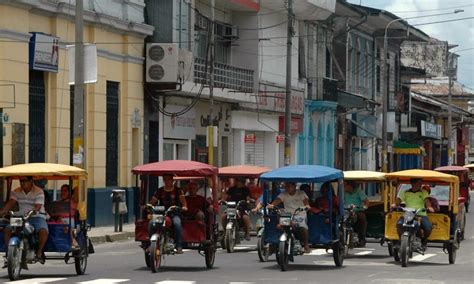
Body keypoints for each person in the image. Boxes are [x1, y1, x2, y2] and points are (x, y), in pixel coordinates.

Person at [0, 176, 48, 264]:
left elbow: (37, 207)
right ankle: (9, 253)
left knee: (43, 231)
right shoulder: (16, 191)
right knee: (7, 229)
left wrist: (32, 212)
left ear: (31, 181)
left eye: (24, 181)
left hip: (36, 216)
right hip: (21, 217)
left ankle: (39, 253)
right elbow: (11, 202)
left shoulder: (39, 191)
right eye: (21, 181)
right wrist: (3, 211)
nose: (22, 183)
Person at [149, 174, 188, 254]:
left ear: (173, 181)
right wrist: (148, 205)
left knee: (177, 224)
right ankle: (150, 244)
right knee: (151, 224)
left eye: (169, 179)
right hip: (162, 214)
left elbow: (183, 202)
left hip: (174, 214)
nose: (167, 181)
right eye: (165, 179)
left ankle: (178, 246)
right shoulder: (160, 191)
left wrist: (184, 207)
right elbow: (153, 201)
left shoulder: (178, 190)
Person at [268, 182, 311, 253]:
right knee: (280, 221)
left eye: (289, 186)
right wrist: (271, 206)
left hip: (300, 215)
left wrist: (306, 207)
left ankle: (306, 245)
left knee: (303, 228)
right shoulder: (283, 194)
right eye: (286, 186)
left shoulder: (301, 193)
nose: (286, 188)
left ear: (294, 186)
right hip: (288, 215)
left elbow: (307, 204)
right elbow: (275, 202)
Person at [391, 178, 435, 248]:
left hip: (420, 214)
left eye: (421, 183)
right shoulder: (405, 192)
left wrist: (429, 207)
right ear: (412, 183)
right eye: (419, 183)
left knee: (428, 228)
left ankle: (423, 240)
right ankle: (400, 241)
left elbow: (427, 201)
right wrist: (395, 205)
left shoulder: (423, 192)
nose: (421, 184)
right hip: (408, 214)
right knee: (399, 224)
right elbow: (398, 201)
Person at [344, 180, 369, 247]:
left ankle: (362, 239)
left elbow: (366, 201)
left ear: (350, 186)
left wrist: (365, 207)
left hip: (357, 211)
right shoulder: (343, 193)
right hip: (346, 211)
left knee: (362, 218)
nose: (344, 187)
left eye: (345, 185)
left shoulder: (359, 192)